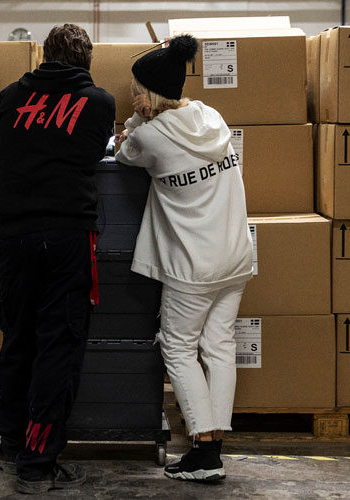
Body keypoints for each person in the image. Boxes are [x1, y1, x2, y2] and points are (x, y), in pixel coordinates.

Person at [0, 24, 115, 494]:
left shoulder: (10, 95)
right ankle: (37, 463)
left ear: (45, 56)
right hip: (67, 238)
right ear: (87, 60)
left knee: (18, 337)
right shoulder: (99, 102)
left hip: (14, 237)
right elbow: (96, 155)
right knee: (58, 343)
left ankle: (12, 442)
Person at [116, 35, 254, 482]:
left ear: (148, 94)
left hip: (193, 265)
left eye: (137, 88)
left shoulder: (151, 136)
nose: (132, 94)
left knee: (177, 347)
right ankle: (214, 444)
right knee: (218, 346)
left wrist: (136, 120)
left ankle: (203, 450)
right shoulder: (211, 118)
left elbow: (123, 153)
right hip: (235, 256)